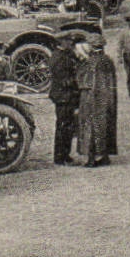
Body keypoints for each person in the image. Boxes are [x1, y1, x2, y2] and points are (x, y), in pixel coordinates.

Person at [76, 33, 118, 167]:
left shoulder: (91, 62)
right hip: (107, 98)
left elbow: (86, 82)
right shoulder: (107, 60)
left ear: (91, 46)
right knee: (105, 125)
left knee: (90, 128)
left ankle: (91, 158)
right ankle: (104, 156)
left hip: (92, 99)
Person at [47, 33, 83, 165]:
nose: (70, 43)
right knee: (63, 127)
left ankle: (66, 155)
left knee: (68, 126)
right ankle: (59, 157)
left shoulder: (67, 54)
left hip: (68, 96)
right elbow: (63, 80)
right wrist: (77, 81)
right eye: (68, 41)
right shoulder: (57, 58)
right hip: (63, 96)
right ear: (61, 42)